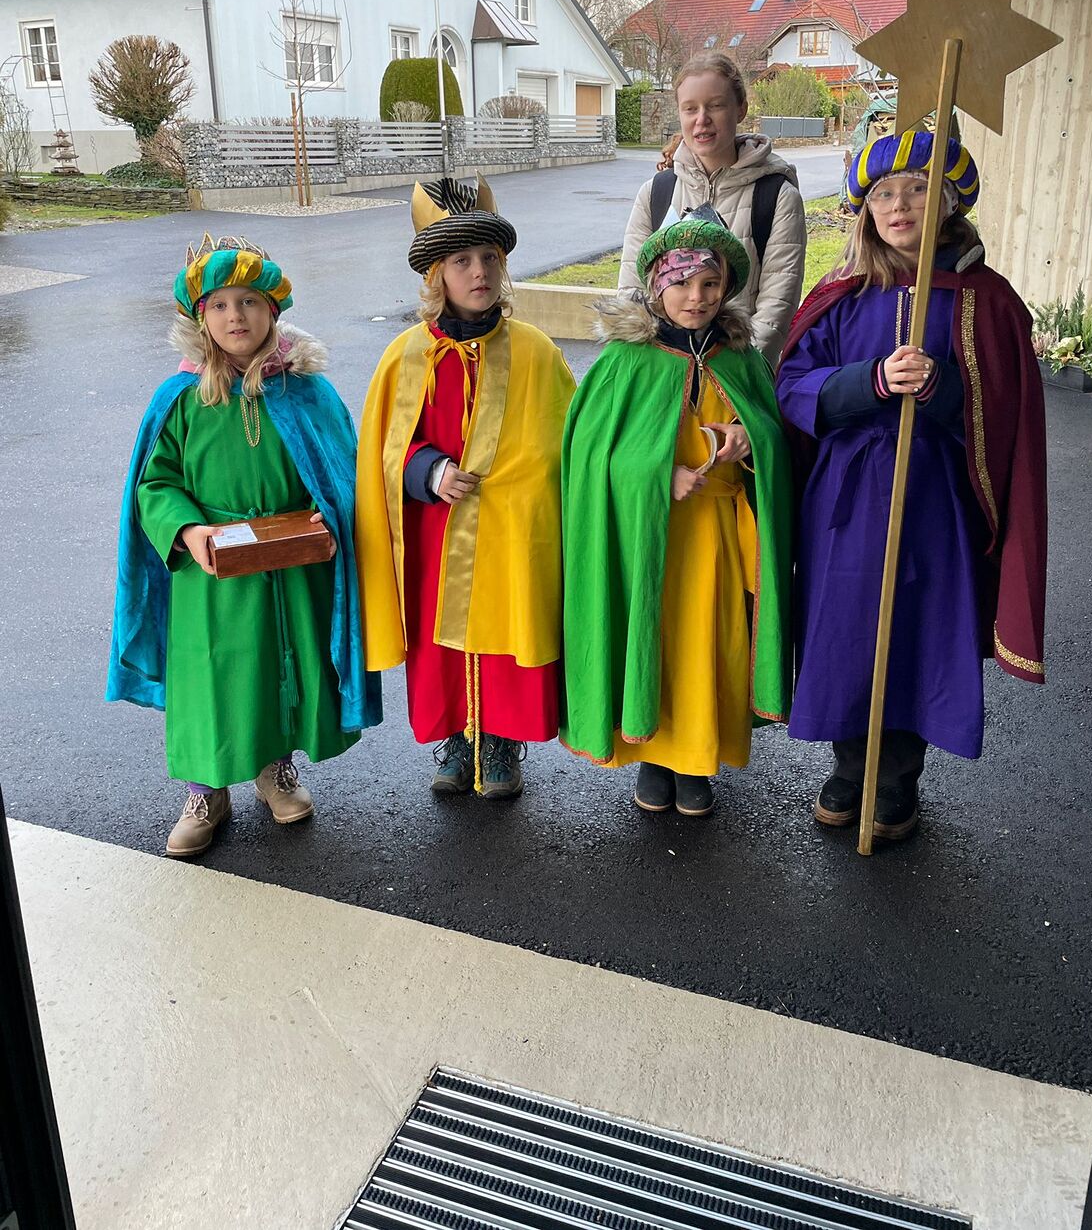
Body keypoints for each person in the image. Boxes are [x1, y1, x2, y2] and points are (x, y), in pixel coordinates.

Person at [776, 131, 1047, 841]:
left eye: (919, 189)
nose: (899, 205)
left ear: (951, 203)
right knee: (845, 625)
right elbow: (793, 386)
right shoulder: (841, 293)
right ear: (864, 210)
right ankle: (849, 766)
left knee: (915, 627)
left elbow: (1005, 407)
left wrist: (940, 386)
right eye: (884, 194)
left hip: (934, 495)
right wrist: (867, 381)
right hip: (845, 496)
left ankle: (896, 775)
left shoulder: (985, 300)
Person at [108, 235, 380, 858]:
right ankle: (205, 791)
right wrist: (188, 530)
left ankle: (273, 769)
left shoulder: (305, 391)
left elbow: (343, 467)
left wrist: (330, 513)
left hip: (292, 564)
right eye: (221, 304)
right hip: (212, 571)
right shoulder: (180, 398)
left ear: (273, 311)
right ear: (201, 316)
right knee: (213, 674)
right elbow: (155, 482)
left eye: (250, 302)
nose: (237, 316)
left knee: (281, 665)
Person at [561, 210, 792, 817]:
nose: (697, 297)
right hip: (650, 537)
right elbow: (590, 458)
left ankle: (696, 759)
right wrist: (657, 475)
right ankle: (657, 757)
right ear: (656, 285)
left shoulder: (741, 358)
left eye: (711, 284)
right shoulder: (625, 362)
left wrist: (748, 440)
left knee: (711, 644)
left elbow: (772, 433)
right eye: (682, 282)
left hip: (717, 535)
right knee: (656, 639)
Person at [355, 176, 575, 798]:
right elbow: (383, 449)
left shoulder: (535, 351)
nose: (478, 272)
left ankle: (501, 742)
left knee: (506, 638)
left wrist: (524, 487)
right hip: (436, 529)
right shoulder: (406, 356)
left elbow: (567, 441)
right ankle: (456, 738)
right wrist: (429, 471)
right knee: (440, 643)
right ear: (436, 275)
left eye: (488, 258)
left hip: (511, 533)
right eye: (460, 261)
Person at [618, 52, 807, 367]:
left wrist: (730, 375)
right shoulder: (656, 193)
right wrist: (652, 368)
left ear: (741, 109)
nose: (701, 119)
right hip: (661, 373)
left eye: (716, 106)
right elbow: (632, 291)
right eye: (690, 108)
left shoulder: (777, 197)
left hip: (738, 378)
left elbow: (776, 307)